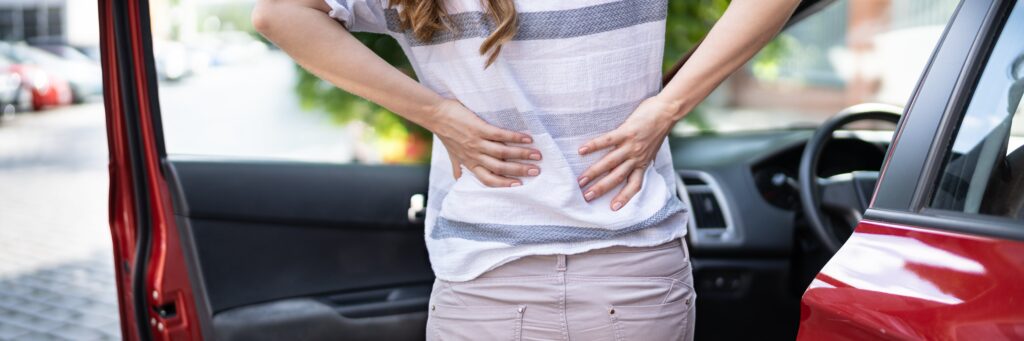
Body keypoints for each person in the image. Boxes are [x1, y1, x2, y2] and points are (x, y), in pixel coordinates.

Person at [252, 0, 798, 339]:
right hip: (631, 278)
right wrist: (666, 108)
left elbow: (277, 12)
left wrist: (437, 114)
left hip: (482, 285)